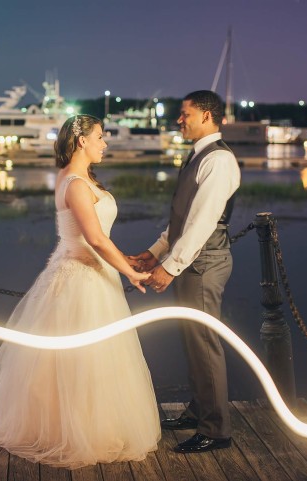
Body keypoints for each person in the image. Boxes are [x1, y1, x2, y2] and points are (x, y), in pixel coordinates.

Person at [0, 114, 161, 469]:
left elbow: (101, 237)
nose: (105, 143)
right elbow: (95, 239)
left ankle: (93, 422)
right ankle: (71, 429)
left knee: (95, 358)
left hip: (96, 275)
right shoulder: (73, 183)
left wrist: (123, 259)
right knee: (78, 359)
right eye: (101, 137)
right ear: (82, 141)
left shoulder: (82, 179)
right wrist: (131, 272)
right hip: (80, 279)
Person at [131, 90, 240, 453]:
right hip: (193, 262)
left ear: (207, 116)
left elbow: (203, 222)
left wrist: (170, 268)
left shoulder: (219, 160)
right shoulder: (197, 156)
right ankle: (199, 411)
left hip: (204, 265)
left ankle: (217, 429)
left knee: (204, 345)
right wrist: (155, 252)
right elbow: (182, 220)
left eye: (185, 114)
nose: (179, 120)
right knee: (194, 342)